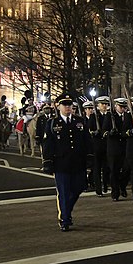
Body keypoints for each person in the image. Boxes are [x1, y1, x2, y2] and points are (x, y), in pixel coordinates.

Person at [42, 92, 93, 231]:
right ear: (58, 107)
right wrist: (47, 161)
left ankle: (66, 211)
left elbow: (87, 141)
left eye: (70, 105)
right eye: (65, 105)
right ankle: (65, 219)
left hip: (78, 163)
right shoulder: (52, 123)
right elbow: (47, 144)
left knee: (79, 188)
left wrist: (89, 157)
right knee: (63, 192)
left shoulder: (80, 121)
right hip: (61, 164)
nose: (68, 107)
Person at [102, 98, 129, 201]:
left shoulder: (128, 116)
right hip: (113, 148)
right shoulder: (110, 116)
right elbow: (104, 130)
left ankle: (122, 185)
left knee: (127, 169)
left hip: (125, 147)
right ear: (116, 106)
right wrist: (110, 133)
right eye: (120, 106)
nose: (122, 109)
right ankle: (115, 192)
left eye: (123, 107)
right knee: (114, 171)